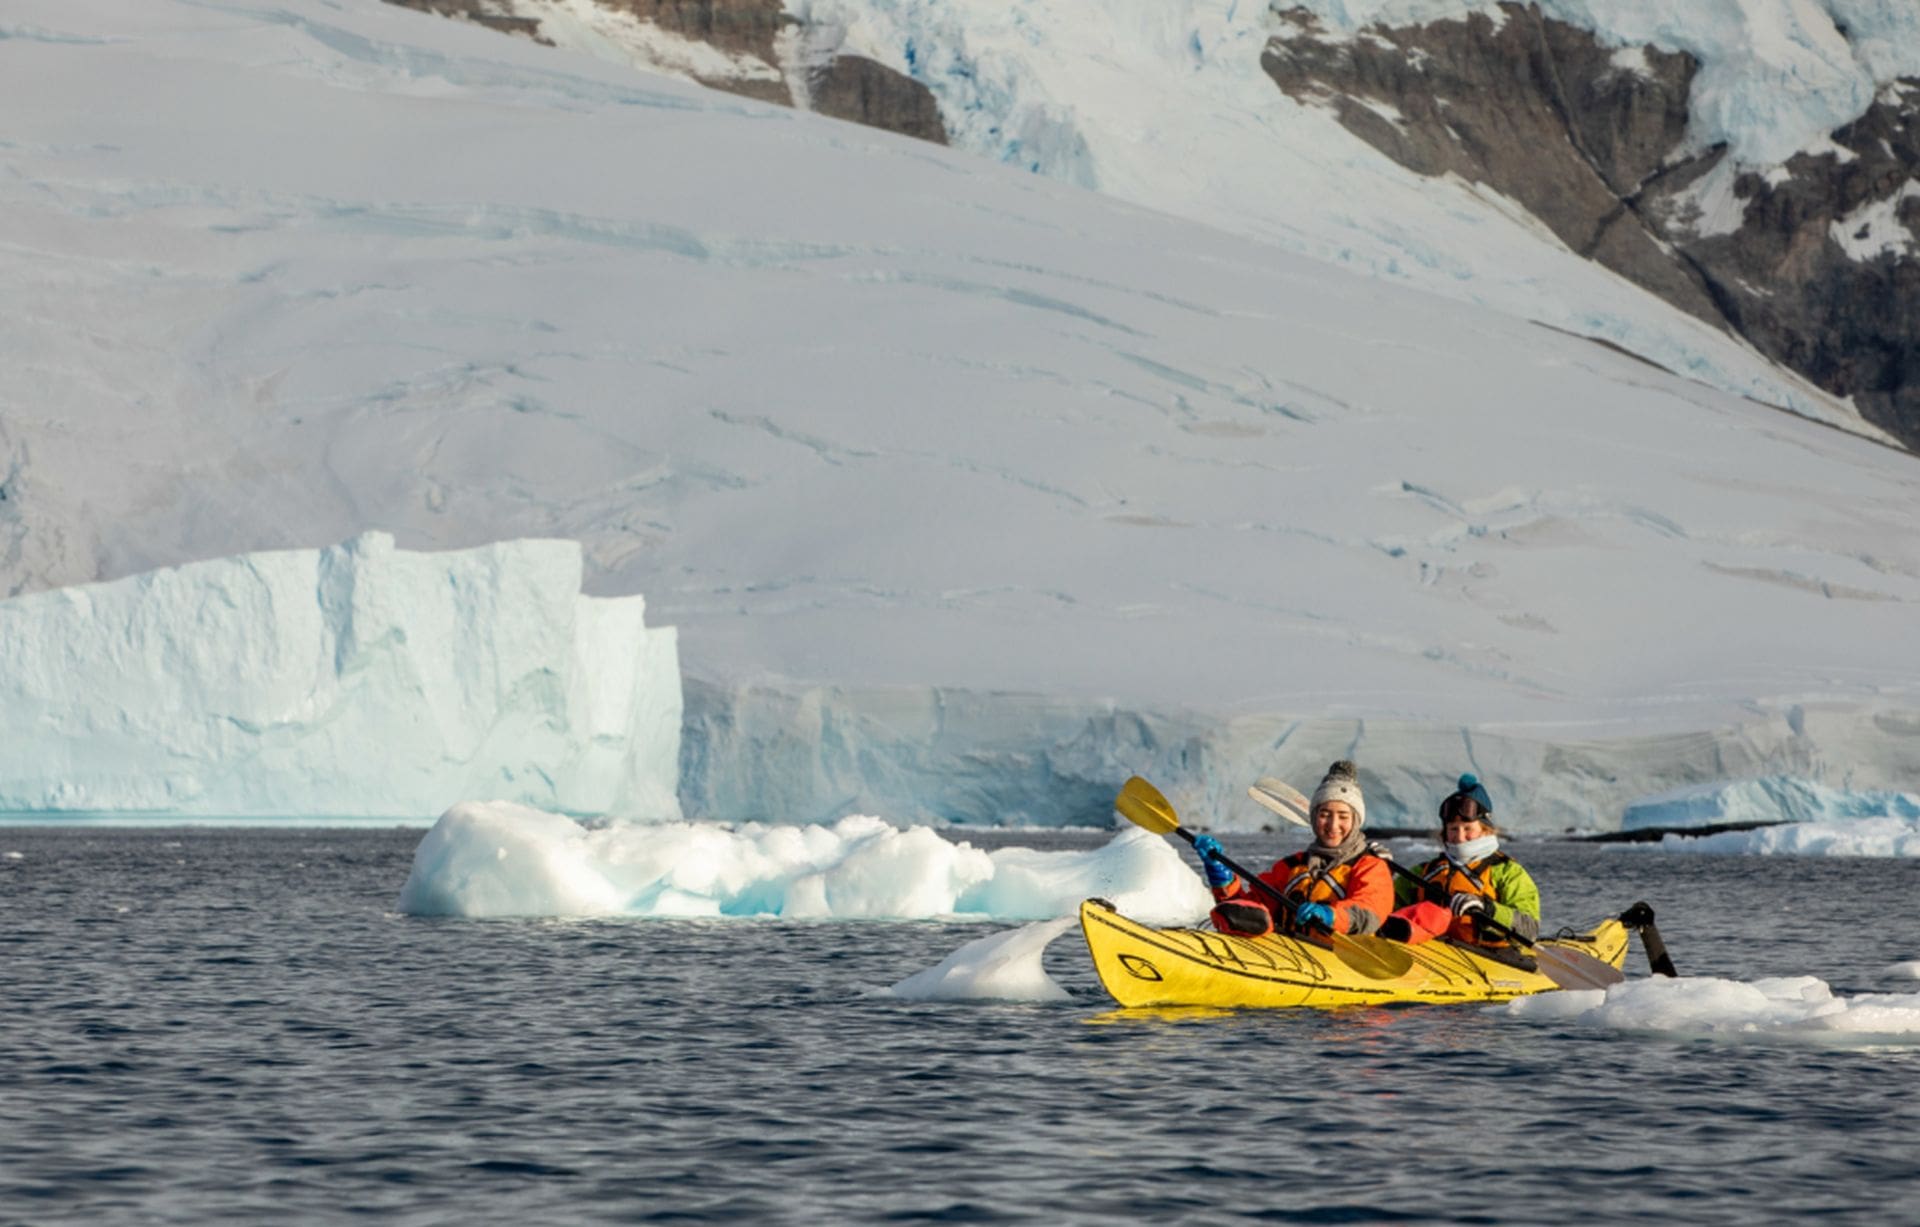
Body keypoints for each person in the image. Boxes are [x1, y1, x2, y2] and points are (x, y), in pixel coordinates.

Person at [1191, 760, 1392, 938]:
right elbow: (1246, 908)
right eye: (1324, 814)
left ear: (1355, 821)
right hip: (1294, 954)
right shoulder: (1290, 867)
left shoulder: (1371, 867)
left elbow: (1370, 910)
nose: (1332, 825)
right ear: (1314, 818)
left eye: (1343, 816)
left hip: (1341, 959)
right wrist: (1221, 877)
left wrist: (1331, 916)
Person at [1379, 773, 1541, 951]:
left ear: (1485, 830)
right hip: (1432, 954)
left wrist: (1488, 909)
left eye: (1468, 828)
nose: (1460, 836)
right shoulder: (1423, 872)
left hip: (1491, 958)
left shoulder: (1508, 872)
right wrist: (1379, 872)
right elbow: (1383, 909)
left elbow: (1529, 929)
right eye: (1453, 829)